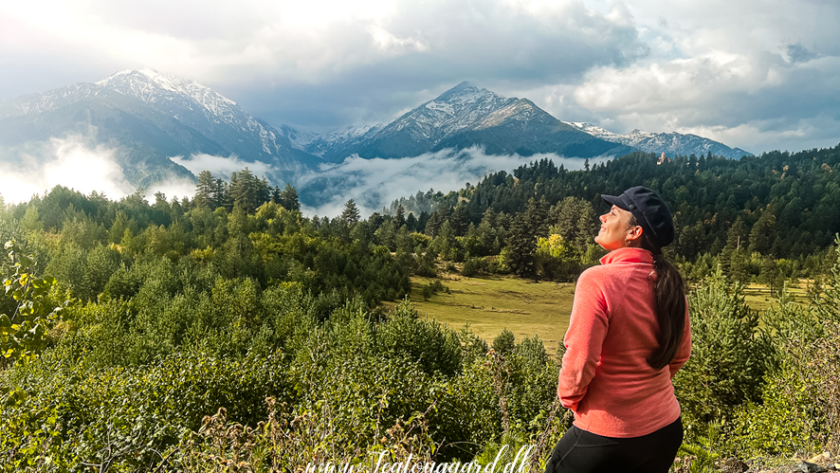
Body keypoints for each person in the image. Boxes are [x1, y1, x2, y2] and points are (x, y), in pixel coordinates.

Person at [545, 186, 692, 473]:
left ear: (633, 233)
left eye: (613, 213)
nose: (602, 217)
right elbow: (680, 354)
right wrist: (644, 386)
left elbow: (581, 356)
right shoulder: (671, 284)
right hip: (665, 429)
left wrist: (571, 400)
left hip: (606, 432)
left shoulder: (597, 280)